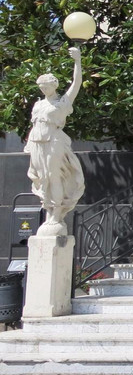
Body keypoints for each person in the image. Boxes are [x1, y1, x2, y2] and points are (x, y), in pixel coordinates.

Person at [24, 46, 86, 235]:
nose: (43, 89)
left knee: (54, 176)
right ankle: (49, 209)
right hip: (36, 141)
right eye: (41, 86)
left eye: (46, 85)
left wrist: (77, 60)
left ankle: (57, 213)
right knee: (42, 178)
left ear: (54, 86)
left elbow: (77, 82)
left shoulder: (62, 102)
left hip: (54, 140)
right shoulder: (38, 103)